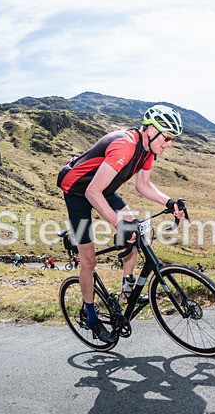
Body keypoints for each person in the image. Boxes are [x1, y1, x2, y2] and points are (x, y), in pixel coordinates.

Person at [57, 105, 186, 344]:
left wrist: (168, 202)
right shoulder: (126, 145)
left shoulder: (147, 151)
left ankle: (127, 290)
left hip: (102, 189)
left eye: (172, 139)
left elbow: (143, 185)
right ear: (150, 131)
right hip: (77, 190)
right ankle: (91, 315)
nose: (170, 144)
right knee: (89, 260)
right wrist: (119, 225)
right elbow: (91, 192)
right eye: (167, 138)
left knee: (136, 230)